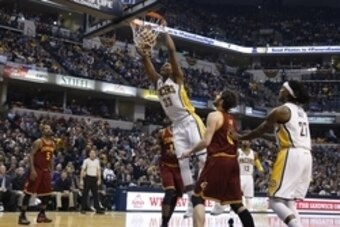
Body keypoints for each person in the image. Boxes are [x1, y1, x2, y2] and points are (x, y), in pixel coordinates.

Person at [138, 27, 206, 218]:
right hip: (176, 125)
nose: (166, 66)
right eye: (164, 66)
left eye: (169, 65)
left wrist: (165, 32)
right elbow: (147, 64)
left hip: (189, 119)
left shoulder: (177, 79)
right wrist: (143, 54)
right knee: (183, 162)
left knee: (202, 158)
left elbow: (171, 52)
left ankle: (209, 190)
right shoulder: (158, 83)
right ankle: (192, 202)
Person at [234, 81, 312, 227]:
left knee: (274, 200)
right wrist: (261, 137)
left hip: (291, 154)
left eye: (283, 89)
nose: (280, 91)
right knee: (289, 200)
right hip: (306, 155)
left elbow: (259, 130)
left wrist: (240, 137)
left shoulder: (281, 111)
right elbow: (277, 137)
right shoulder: (302, 112)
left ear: (289, 93)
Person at [181, 90, 255, 227]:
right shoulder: (232, 119)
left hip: (218, 160)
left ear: (222, 101)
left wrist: (189, 151)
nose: (215, 95)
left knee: (197, 197)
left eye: (218, 95)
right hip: (233, 162)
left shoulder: (214, 115)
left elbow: (206, 142)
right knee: (236, 204)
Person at [211, 140, 264, 215]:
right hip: (239, 175)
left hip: (249, 177)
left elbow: (258, 163)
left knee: (248, 197)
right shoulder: (238, 152)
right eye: (244, 141)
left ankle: (248, 212)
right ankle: (232, 210)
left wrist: (261, 169)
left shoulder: (254, 153)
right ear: (241, 142)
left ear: (250, 143)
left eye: (247, 141)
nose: (245, 142)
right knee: (235, 195)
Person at [18, 124, 55, 225]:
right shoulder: (39, 142)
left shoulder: (52, 143)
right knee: (29, 193)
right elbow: (31, 155)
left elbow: (51, 158)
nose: (49, 130)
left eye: (49, 128)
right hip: (37, 169)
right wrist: (32, 170)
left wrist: (52, 170)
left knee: (47, 194)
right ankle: (22, 216)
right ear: (42, 131)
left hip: (45, 171)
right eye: (46, 128)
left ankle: (41, 215)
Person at [156, 120, 184, 227]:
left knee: (176, 196)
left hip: (178, 167)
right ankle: (163, 223)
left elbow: (188, 151)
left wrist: (177, 152)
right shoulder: (162, 133)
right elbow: (158, 148)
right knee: (170, 190)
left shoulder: (184, 135)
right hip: (166, 165)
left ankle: (166, 222)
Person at [80, 149, 104, 214]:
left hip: (94, 178)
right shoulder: (86, 161)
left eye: (94, 153)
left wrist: (99, 179)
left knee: (95, 194)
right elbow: (82, 170)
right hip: (88, 178)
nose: (93, 154)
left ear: (95, 154)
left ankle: (98, 209)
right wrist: (81, 180)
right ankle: (83, 208)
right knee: (85, 194)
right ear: (89, 154)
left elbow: (98, 170)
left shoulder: (97, 161)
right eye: (91, 153)